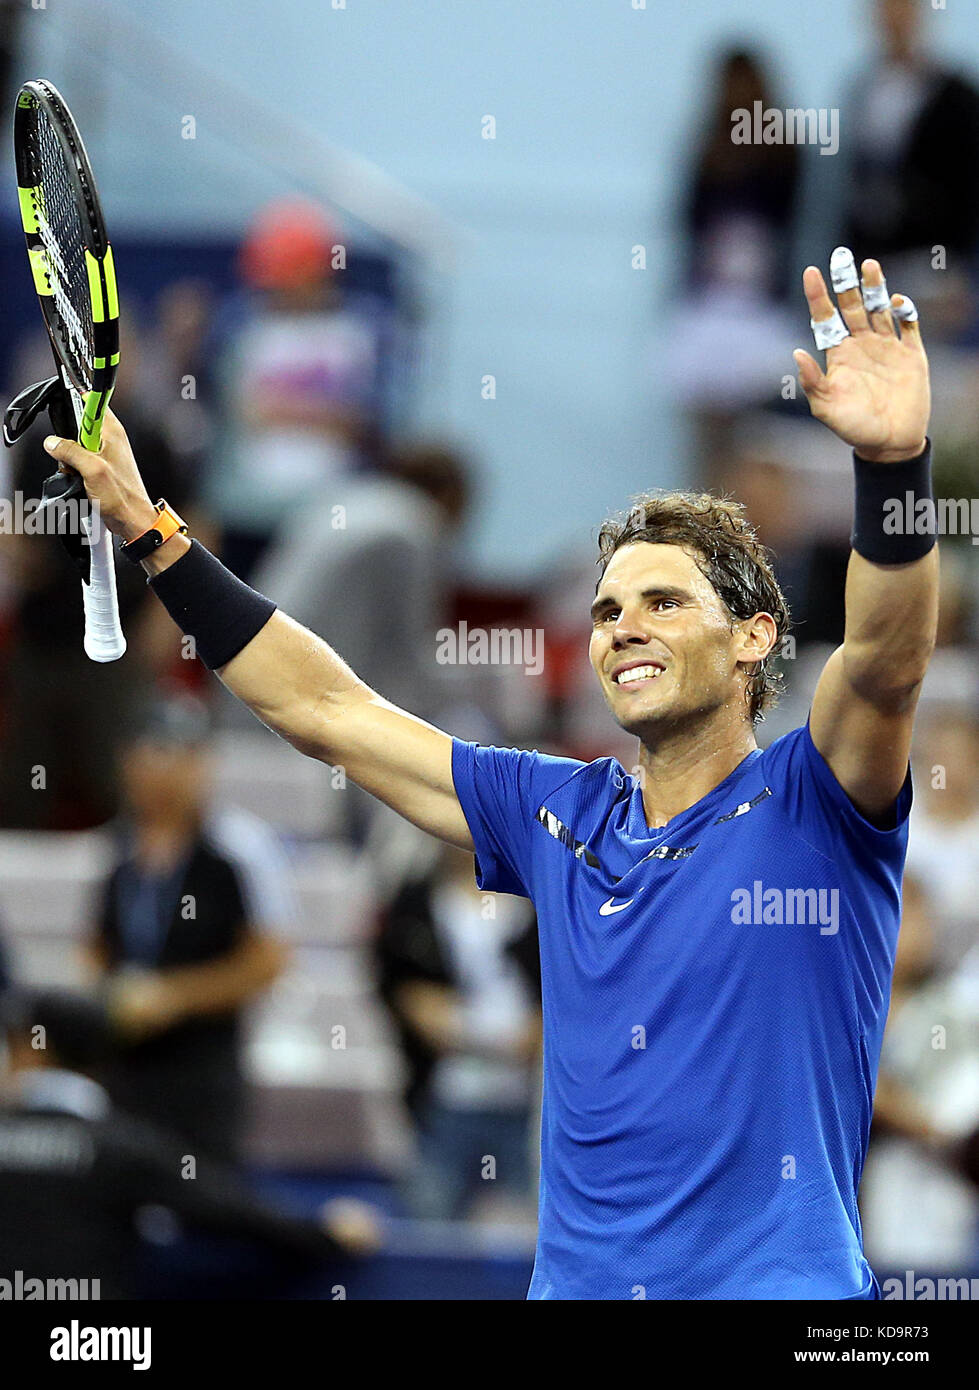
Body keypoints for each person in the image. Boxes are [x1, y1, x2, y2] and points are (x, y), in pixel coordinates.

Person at [43, 247, 938, 1299]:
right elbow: (328, 712)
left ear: (752, 636)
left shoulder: (814, 799)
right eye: (606, 610)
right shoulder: (554, 809)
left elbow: (882, 663)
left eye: (661, 602)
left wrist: (893, 473)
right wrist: (156, 535)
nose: (621, 629)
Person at [0, 989, 380, 1300]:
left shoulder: (122, 1146)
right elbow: (230, 1210)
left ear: (32, 1050)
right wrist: (326, 1234)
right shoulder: (125, 1146)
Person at [86, 694, 291, 1163]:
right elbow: (99, 942)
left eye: (171, 759)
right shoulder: (121, 848)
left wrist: (174, 997)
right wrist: (108, 994)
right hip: (127, 1062)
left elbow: (267, 961)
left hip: (204, 1066)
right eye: (145, 759)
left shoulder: (238, 850)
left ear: (199, 765)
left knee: (202, 1192)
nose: (155, 775)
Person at [376, 842, 541, 1220]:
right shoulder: (416, 905)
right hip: (442, 1099)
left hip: (527, 1103)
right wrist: (506, 1036)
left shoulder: (544, 900)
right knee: (429, 1226)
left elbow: (559, 1006)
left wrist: (468, 1029)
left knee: (524, 1235)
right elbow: (407, 997)